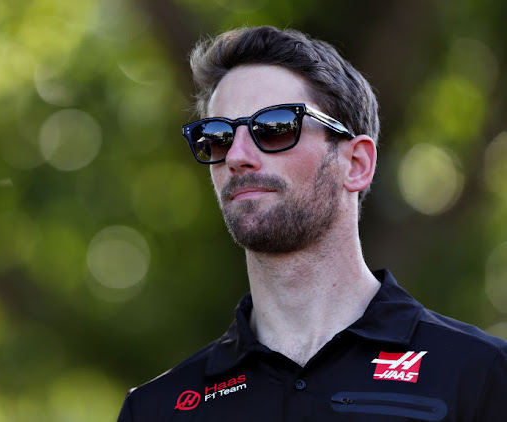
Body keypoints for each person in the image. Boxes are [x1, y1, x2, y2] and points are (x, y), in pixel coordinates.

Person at [116, 26, 507, 421]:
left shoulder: (483, 376)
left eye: (273, 127)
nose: (236, 155)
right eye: (217, 136)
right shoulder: (157, 409)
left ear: (356, 164)